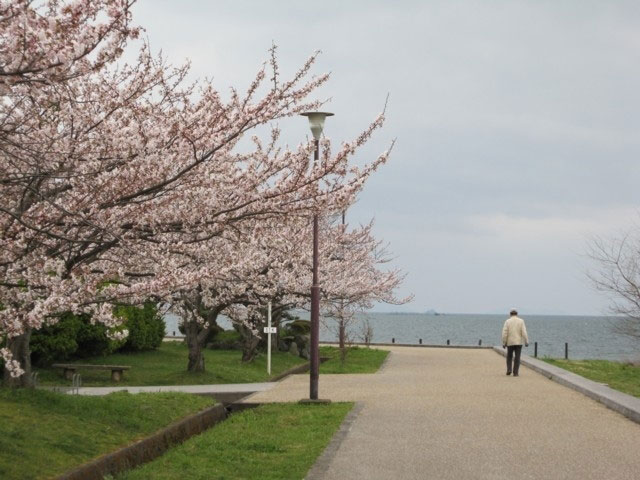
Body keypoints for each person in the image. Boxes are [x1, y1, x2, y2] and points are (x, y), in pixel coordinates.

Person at [502, 309, 529, 376]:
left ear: (510, 314)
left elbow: (504, 333)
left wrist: (504, 342)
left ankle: (509, 370)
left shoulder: (507, 321)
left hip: (510, 342)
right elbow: (524, 332)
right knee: (517, 357)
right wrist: (526, 341)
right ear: (517, 314)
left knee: (509, 356)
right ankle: (515, 372)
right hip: (518, 342)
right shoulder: (521, 321)